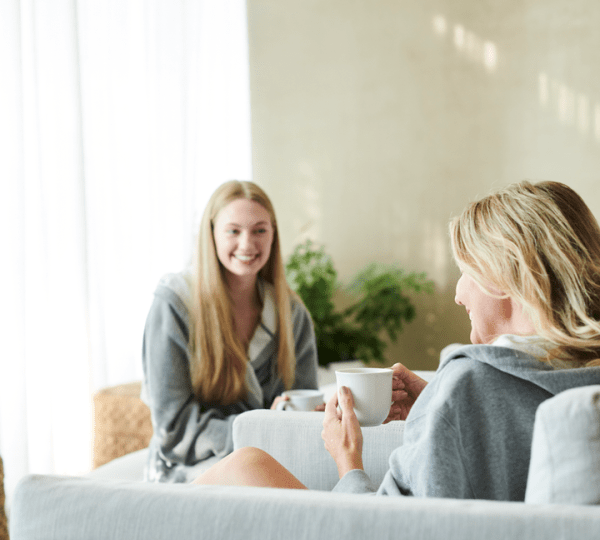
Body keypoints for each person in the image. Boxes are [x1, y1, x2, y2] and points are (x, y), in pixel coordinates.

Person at [192, 180, 600, 501]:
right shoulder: (579, 378)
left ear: (508, 274)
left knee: (244, 466)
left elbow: (397, 534)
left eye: (467, 271)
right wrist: (433, 405)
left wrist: (347, 458)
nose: (459, 294)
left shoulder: (468, 383)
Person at [142, 180, 319, 482]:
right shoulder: (175, 304)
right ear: (211, 235)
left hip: (270, 461)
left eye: (260, 230)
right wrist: (262, 428)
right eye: (233, 231)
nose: (248, 245)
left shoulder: (291, 313)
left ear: (274, 235)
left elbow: (304, 406)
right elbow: (174, 430)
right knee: (250, 471)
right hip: (186, 466)